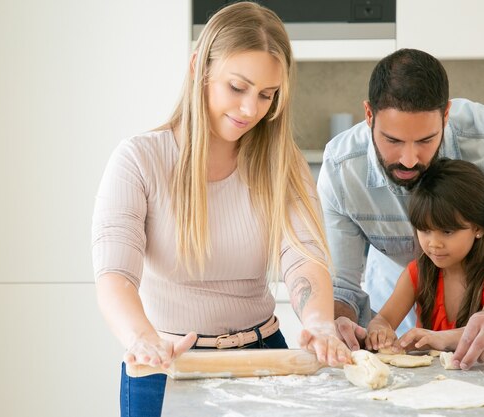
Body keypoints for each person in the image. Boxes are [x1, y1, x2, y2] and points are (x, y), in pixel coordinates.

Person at [92, 3, 350, 417]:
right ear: (200, 67)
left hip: (265, 360)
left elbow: (303, 254)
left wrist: (319, 320)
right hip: (164, 363)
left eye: (267, 95)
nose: (251, 109)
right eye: (237, 87)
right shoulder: (139, 160)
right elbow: (115, 276)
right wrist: (142, 338)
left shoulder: (282, 163)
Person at [317, 48, 484, 389]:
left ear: (446, 114)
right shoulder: (341, 166)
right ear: (368, 115)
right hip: (396, 338)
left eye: (426, 140)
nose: (409, 159)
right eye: (392, 140)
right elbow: (341, 288)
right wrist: (340, 325)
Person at [365, 158, 484, 369]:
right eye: (425, 230)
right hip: (439, 387)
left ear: (478, 228)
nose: (434, 243)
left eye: (447, 231)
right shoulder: (416, 273)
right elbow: (384, 319)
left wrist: (438, 338)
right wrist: (379, 330)